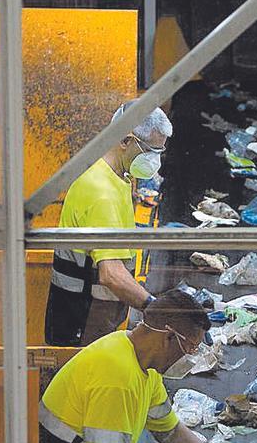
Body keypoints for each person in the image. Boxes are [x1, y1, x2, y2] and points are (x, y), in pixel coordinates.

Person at [44, 102, 172, 347]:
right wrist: (153, 307)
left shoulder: (115, 176)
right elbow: (110, 274)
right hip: (81, 326)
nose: (155, 161)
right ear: (125, 140)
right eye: (150, 151)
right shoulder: (101, 192)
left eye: (159, 152)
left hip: (95, 318)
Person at [37, 286, 211, 443]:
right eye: (191, 348)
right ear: (169, 337)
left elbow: (171, 432)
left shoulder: (144, 364)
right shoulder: (117, 377)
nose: (190, 358)